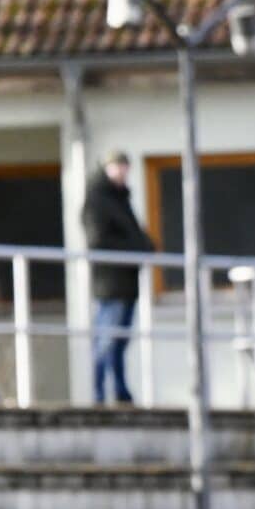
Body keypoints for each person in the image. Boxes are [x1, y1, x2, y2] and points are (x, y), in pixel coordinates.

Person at [81, 149, 154, 404]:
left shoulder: (120, 199)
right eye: (118, 166)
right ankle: (99, 395)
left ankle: (120, 392)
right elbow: (98, 241)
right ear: (107, 168)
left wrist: (145, 246)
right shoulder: (98, 199)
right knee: (106, 343)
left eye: (125, 166)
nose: (122, 171)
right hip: (110, 284)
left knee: (119, 343)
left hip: (125, 283)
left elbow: (133, 233)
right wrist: (137, 249)